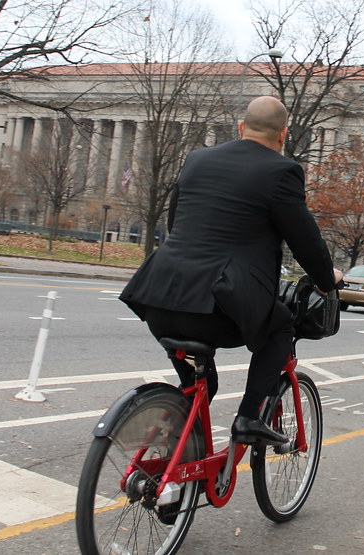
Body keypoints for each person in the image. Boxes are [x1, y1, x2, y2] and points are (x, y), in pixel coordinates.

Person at [120, 96, 342, 445]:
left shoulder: (197, 159)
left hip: (158, 297)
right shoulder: (282, 171)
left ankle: (168, 457)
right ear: (283, 134)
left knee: (199, 386)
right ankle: (249, 417)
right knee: (281, 326)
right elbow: (305, 240)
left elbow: (176, 222)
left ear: (241, 127)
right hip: (219, 310)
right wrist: (327, 280)